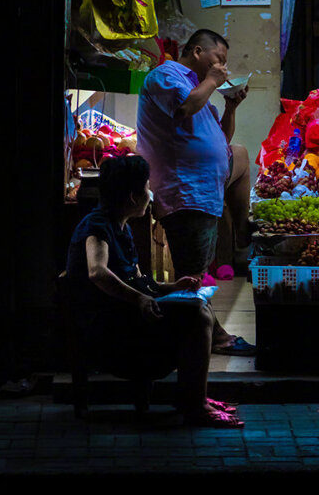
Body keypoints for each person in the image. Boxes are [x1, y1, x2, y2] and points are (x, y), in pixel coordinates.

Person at [65, 155, 243, 427]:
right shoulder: (97, 226)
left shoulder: (120, 226)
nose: (151, 194)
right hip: (106, 327)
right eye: (147, 188)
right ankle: (194, 404)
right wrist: (140, 299)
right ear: (133, 197)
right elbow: (97, 272)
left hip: (123, 315)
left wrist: (175, 287)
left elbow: (138, 280)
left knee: (200, 304)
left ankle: (194, 398)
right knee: (197, 316)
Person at [136, 28, 255, 356]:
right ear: (198, 52)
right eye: (219, 59)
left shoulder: (198, 88)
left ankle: (243, 234)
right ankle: (209, 336)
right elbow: (185, 109)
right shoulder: (167, 75)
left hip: (207, 183)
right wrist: (214, 83)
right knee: (193, 274)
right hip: (186, 190)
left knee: (241, 154)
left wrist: (230, 107)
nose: (223, 68)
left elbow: (222, 139)